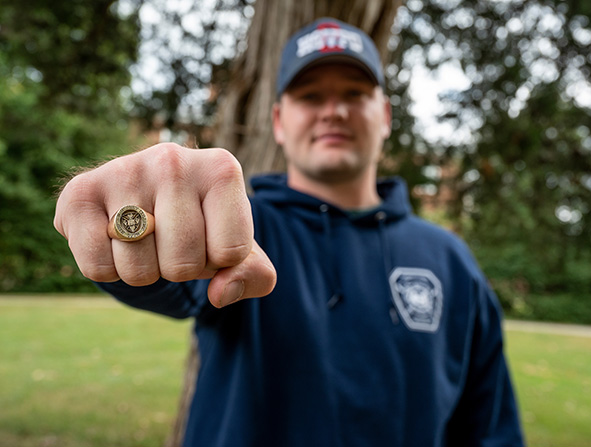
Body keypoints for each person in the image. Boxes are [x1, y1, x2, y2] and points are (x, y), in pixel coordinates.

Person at [55, 18, 524, 447]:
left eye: (355, 93)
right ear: (279, 121)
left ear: (385, 115)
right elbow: (160, 282)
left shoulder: (449, 257)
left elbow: (490, 427)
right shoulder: (239, 230)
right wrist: (125, 213)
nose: (333, 111)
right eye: (310, 96)